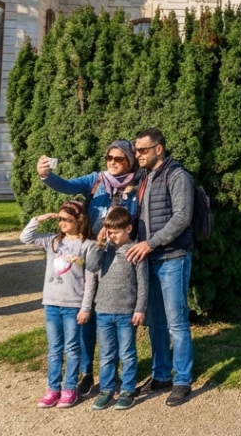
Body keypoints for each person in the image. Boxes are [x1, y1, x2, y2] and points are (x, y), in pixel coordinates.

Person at [35, 139, 140, 394]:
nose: (112, 163)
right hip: (93, 254)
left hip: (122, 257)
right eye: (109, 158)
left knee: (118, 313)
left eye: (119, 159)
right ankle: (87, 371)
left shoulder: (138, 184)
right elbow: (66, 185)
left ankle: (116, 372)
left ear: (129, 161)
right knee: (88, 314)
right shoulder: (96, 180)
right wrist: (46, 175)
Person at [124, 128, 195, 406]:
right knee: (156, 323)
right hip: (149, 259)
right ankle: (161, 375)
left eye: (142, 150)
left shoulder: (177, 175)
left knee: (177, 322)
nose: (137, 155)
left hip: (172, 257)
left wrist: (150, 243)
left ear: (158, 149)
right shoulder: (143, 176)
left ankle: (182, 380)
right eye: (136, 150)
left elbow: (182, 217)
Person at [20, 199, 98, 409]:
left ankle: (69, 388)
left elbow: (90, 279)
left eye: (67, 220)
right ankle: (53, 388)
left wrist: (86, 307)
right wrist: (38, 219)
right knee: (54, 348)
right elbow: (25, 238)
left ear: (79, 220)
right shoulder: (53, 241)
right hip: (52, 303)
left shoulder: (88, 245)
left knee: (72, 348)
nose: (62, 223)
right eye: (60, 219)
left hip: (73, 305)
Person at [91, 206, 148, 411]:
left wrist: (140, 309)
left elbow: (143, 284)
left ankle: (127, 390)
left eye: (115, 232)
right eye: (109, 232)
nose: (111, 236)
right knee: (107, 353)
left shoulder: (135, 251)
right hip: (103, 310)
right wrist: (99, 245)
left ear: (128, 229)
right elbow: (91, 266)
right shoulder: (105, 250)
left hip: (126, 312)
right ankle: (106, 389)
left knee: (127, 353)